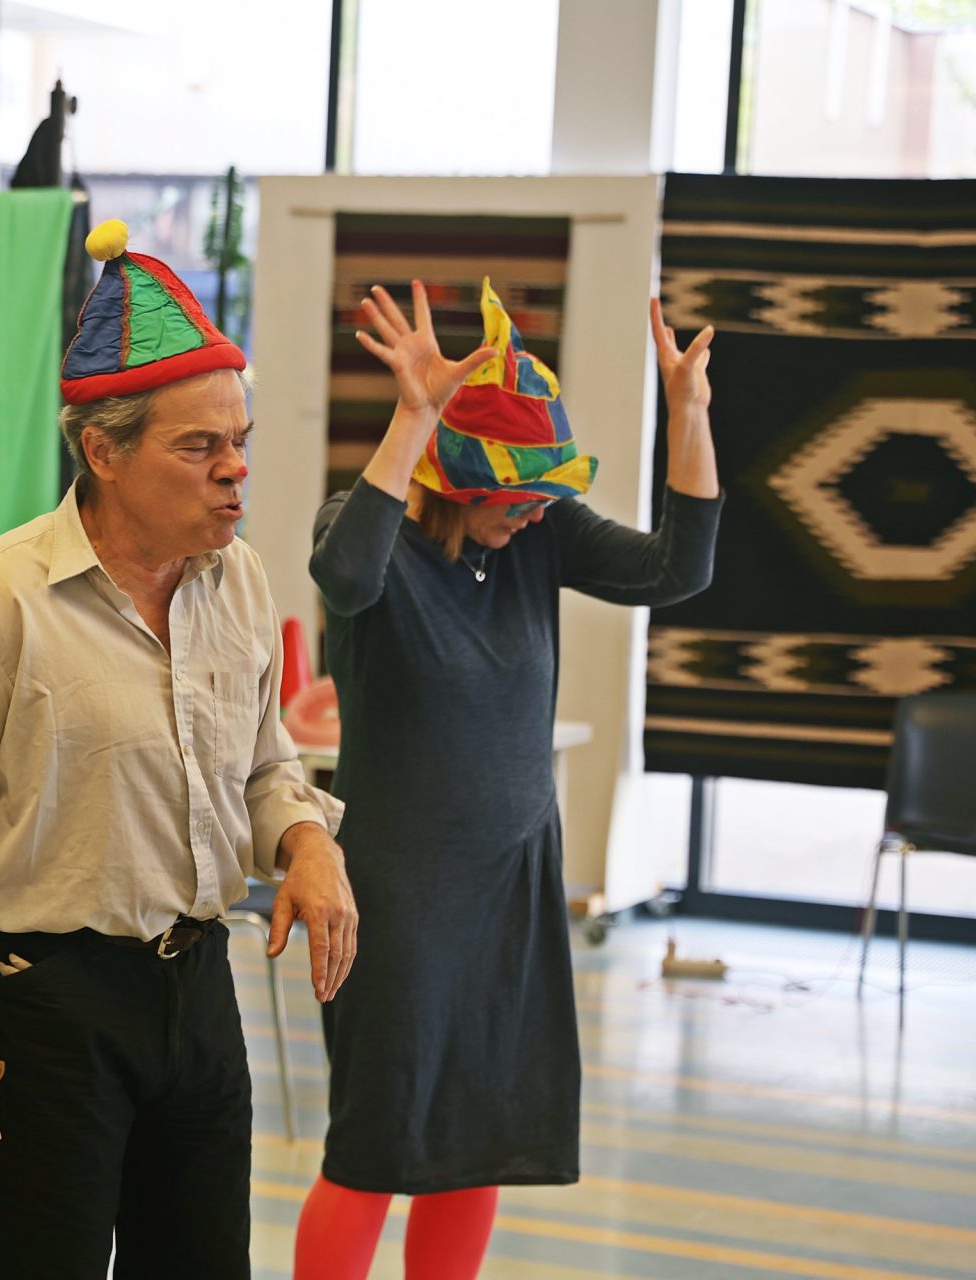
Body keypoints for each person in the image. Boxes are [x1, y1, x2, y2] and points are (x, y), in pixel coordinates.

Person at [0, 219, 358, 1280]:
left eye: (241, 440)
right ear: (103, 453)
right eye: (199, 447)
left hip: (197, 991)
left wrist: (307, 840)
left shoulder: (239, 579)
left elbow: (263, 765)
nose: (236, 470)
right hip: (41, 1003)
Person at [294, 278, 722, 1279]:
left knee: (479, 1138)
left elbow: (677, 569)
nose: (533, 514)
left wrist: (689, 416)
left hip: (513, 885)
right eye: (516, 495)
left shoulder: (539, 532)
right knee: (374, 1144)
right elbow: (344, 577)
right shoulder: (367, 532)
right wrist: (415, 414)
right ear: (455, 478)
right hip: (397, 893)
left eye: (543, 496)